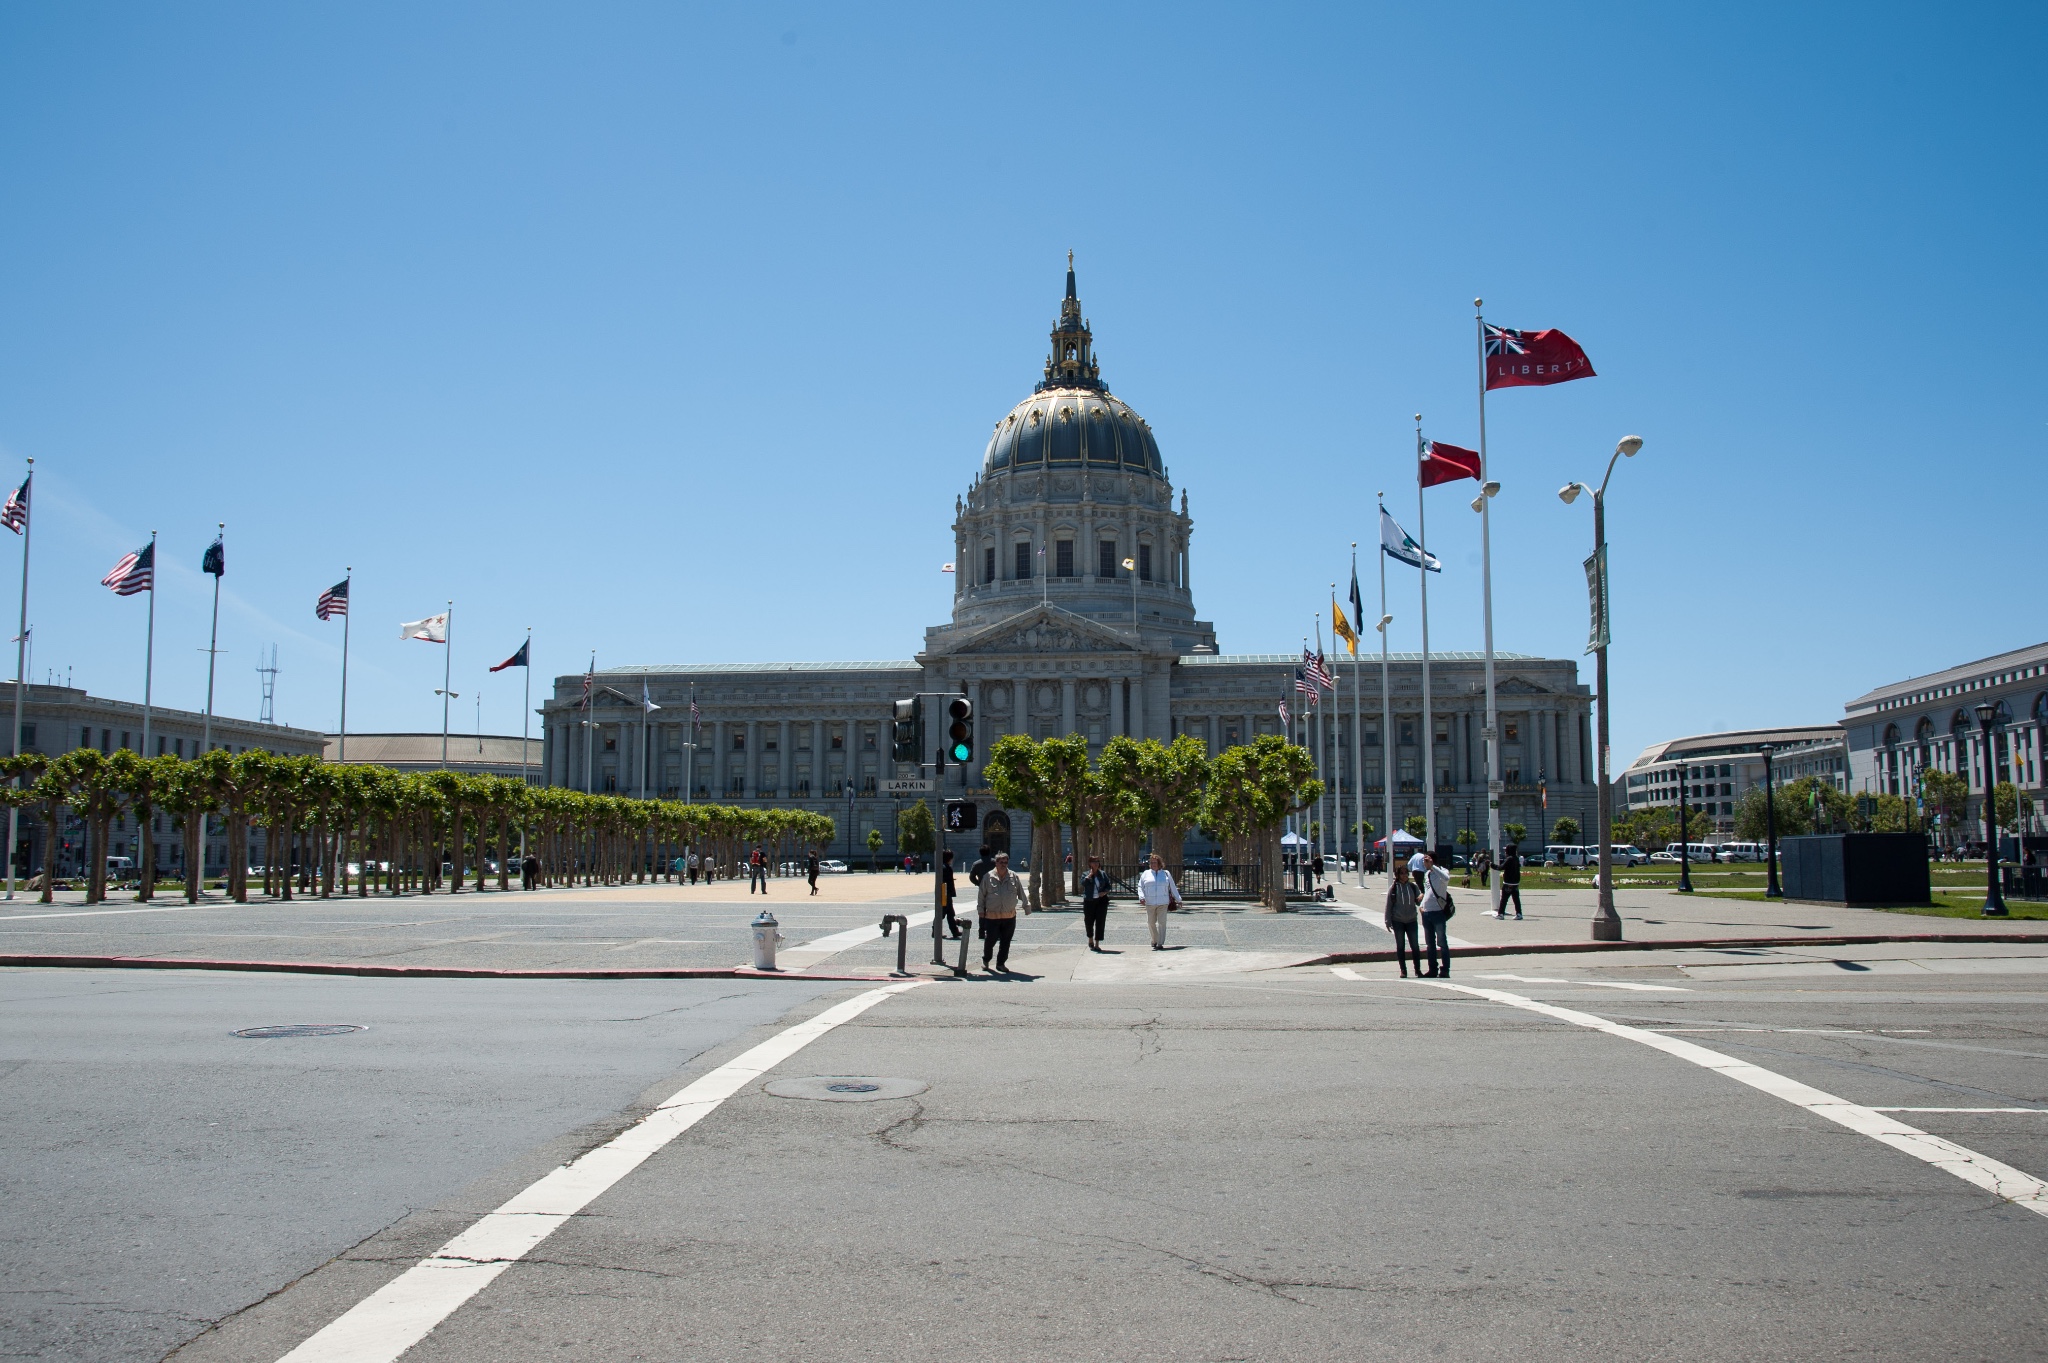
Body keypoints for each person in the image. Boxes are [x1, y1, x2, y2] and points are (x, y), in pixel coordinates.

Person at [976, 850, 1021, 972]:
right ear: (996, 863)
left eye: (1006, 862)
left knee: (1006, 942)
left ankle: (1001, 963)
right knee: (990, 940)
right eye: (1001, 862)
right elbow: (981, 895)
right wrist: (980, 910)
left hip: (1009, 915)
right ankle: (986, 960)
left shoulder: (1014, 876)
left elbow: (1021, 892)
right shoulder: (988, 877)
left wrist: (1027, 906)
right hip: (992, 916)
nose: (1004, 864)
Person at [1136, 852, 1182, 950]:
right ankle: (1154, 939)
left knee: (1162, 922)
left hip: (1163, 902)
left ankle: (1160, 943)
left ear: (1159, 863)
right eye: (1151, 863)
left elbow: (1173, 887)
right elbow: (1140, 886)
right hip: (1150, 902)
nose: (1153, 864)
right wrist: (1141, 897)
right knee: (1151, 922)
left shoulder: (1166, 873)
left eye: (1155, 862)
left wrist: (1179, 899)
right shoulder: (1145, 874)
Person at [1418, 852, 1452, 978]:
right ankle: (1432, 969)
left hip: (1438, 911)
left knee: (1442, 942)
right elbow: (1427, 890)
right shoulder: (1427, 874)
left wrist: (1433, 866)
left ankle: (1445, 969)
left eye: (1426, 860)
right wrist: (1421, 906)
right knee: (1430, 943)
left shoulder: (1442, 871)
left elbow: (1446, 879)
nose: (1424, 863)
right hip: (1427, 912)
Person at [1384, 862, 1421, 977]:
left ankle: (1417, 970)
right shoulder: (1394, 888)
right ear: (1398, 875)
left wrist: (1421, 898)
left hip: (1411, 920)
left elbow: (1418, 901)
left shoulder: (1413, 887)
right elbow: (1388, 905)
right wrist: (1387, 920)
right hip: (1398, 920)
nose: (1405, 875)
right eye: (1402, 873)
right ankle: (1403, 970)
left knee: (1415, 946)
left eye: (1406, 873)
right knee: (1400, 946)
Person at [1079, 854, 1113, 951]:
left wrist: (1104, 892)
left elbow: (1108, 885)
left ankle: (1097, 942)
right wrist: (1090, 875)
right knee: (1088, 921)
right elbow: (1083, 883)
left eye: (1097, 861)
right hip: (1089, 900)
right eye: (1094, 862)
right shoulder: (1085, 874)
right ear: (1090, 863)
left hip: (1101, 901)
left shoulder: (1102, 874)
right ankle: (1090, 938)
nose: (1096, 864)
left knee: (1100, 921)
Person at [1496, 844, 1523, 920]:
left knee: (1504, 899)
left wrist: (1492, 865)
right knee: (1516, 899)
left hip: (1508, 882)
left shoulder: (1509, 859)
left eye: (1506, 850)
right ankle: (1519, 913)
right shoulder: (1516, 859)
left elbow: (1501, 867)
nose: (1505, 852)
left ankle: (1501, 913)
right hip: (1515, 883)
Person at [938, 849, 961, 937]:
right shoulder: (946, 868)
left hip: (945, 893)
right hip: (945, 893)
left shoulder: (944, 867)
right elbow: (945, 881)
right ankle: (936, 930)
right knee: (942, 913)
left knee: (950, 913)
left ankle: (955, 931)